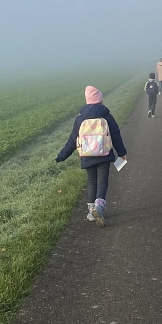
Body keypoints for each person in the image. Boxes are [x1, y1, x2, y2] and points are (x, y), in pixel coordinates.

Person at [55, 86, 127, 226]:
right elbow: (116, 136)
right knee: (102, 181)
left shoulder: (80, 119)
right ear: (100, 100)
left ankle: (91, 211)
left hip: (87, 155)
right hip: (104, 155)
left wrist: (61, 156)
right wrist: (122, 153)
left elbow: (72, 141)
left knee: (91, 181)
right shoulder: (106, 116)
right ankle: (99, 207)